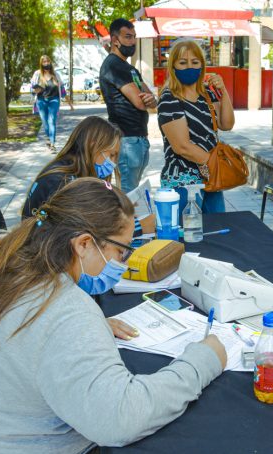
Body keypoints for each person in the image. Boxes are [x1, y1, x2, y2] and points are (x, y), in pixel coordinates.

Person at [0, 178, 227, 453]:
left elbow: (29, 339)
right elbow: (119, 419)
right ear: (84, 244)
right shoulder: (63, 309)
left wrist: (88, 328)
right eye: (122, 251)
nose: (124, 263)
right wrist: (202, 361)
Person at [22, 116, 156, 284]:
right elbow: (85, 232)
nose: (113, 163)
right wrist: (137, 225)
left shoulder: (69, 172)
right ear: (93, 146)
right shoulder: (62, 181)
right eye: (111, 155)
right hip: (46, 267)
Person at [157, 39, 235, 215]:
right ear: (173, 66)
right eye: (183, 63)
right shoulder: (169, 98)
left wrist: (223, 92)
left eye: (194, 62)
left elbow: (226, 124)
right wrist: (215, 165)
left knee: (216, 233)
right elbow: (182, 146)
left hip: (210, 180)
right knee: (189, 237)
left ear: (202, 65)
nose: (189, 67)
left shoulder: (206, 94)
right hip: (183, 182)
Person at [100, 18, 157, 194]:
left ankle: (131, 222)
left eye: (134, 37)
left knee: (131, 194)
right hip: (126, 141)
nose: (132, 42)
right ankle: (127, 223)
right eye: (128, 37)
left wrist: (151, 99)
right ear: (115, 40)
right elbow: (141, 102)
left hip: (137, 139)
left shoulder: (128, 68)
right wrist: (148, 99)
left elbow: (152, 99)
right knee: (128, 195)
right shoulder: (113, 65)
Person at [31, 55, 74, 151]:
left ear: (50, 62)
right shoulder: (37, 74)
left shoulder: (56, 75)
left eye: (48, 61)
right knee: (45, 123)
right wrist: (35, 91)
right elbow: (32, 88)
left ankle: (52, 143)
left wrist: (70, 105)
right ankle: (48, 138)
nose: (46, 63)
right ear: (41, 64)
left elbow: (62, 91)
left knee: (52, 121)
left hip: (54, 100)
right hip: (41, 101)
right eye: (44, 62)